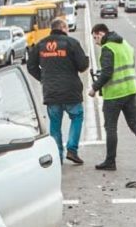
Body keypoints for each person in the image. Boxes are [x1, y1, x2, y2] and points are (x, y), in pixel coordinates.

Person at [88, 23, 136, 171]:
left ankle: (110, 161)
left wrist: (94, 88)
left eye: (95, 38)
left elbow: (107, 73)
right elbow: (128, 64)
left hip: (114, 94)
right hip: (130, 90)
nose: (95, 41)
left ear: (101, 34)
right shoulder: (125, 44)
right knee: (135, 124)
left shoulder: (108, 48)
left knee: (110, 128)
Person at [27, 17, 90, 164]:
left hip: (51, 92)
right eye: (66, 28)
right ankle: (72, 150)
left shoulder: (41, 44)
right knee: (77, 117)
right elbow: (82, 66)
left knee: (55, 125)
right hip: (71, 91)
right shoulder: (71, 43)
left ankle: (57, 156)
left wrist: (43, 78)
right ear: (62, 28)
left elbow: (31, 66)